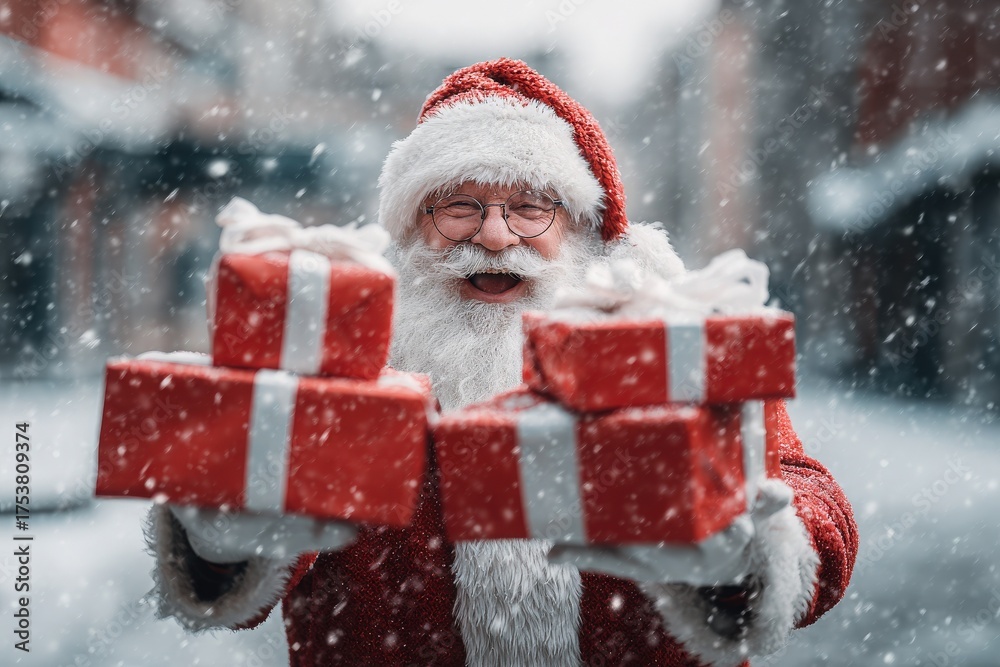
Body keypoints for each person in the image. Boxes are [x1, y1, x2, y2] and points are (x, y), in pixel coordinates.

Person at [147, 58, 858, 666]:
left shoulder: (668, 340)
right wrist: (221, 538)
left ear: (579, 226)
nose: (492, 236)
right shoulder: (344, 361)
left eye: (530, 207)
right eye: (456, 206)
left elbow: (810, 492)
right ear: (411, 227)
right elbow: (238, 586)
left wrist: (757, 547)